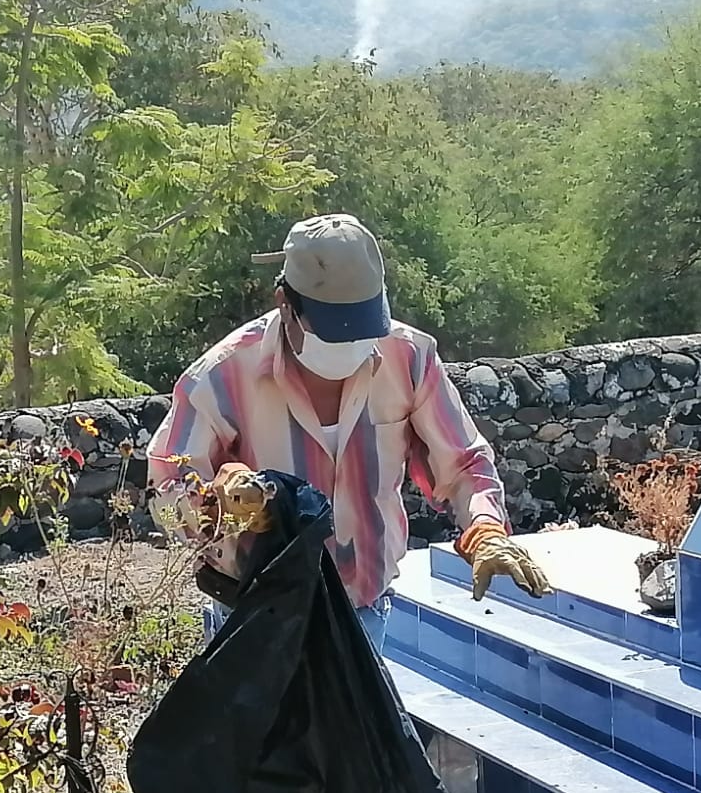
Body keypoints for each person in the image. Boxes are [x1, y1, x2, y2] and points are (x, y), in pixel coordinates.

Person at [147, 213, 549, 651]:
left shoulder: (409, 359)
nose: (349, 345)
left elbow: (464, 461)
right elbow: (165, 486)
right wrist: (215, 506)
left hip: (364, 615)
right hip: (253, 621)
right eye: (332, 330)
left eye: (360, 329)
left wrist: (486, 529)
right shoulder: (221, 377)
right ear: (285, 303)